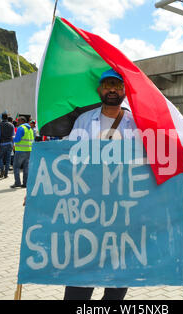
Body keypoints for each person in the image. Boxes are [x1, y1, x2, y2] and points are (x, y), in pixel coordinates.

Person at [65, 69, 138, 300]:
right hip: (89, 209)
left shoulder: (137, 123)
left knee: (118, 278)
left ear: (125, 91)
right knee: (81, 275)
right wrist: (42, 194)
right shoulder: (84, 121)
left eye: (117, 86)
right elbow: (68, 162)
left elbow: (150, 164)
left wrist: (175, 195)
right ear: (99, 90)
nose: (113, 90)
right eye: (107, 85)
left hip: (123, 211)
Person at [11, 116, 34, 188]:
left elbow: (17, 139)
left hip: (20, 150)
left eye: (18, 121)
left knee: (16, 167)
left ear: (22, 121)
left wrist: (13, 138)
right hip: (29, 150)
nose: (17, 122)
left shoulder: (21, 128)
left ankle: (17, 183)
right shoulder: (30, 129)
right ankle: (25, 183)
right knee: (26, 167)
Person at [0, 113, 15, 179]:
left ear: (2, 118)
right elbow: (13, 136)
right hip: (9, 143)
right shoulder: (12, 125)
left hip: (2, 144)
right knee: (8, 159)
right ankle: (6, 174)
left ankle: (2, 170)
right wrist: (13, 145)